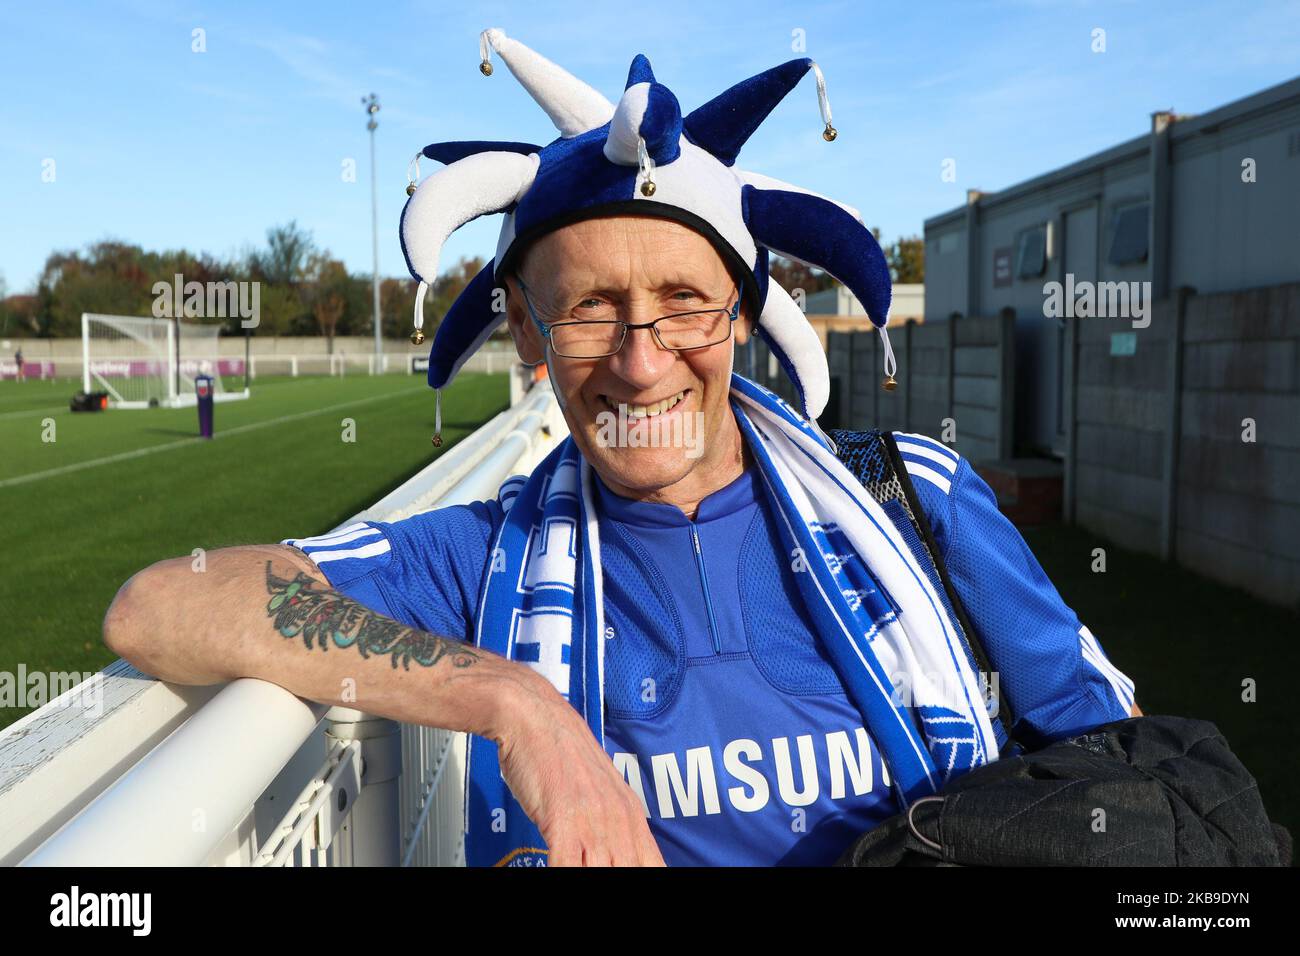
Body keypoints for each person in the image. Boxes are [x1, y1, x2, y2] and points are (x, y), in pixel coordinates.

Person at [104, 29, 1139, 867]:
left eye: (685, 302)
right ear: (525, 331)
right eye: (592, 307)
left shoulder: (918, 500)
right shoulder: (483, 556)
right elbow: (162, 605)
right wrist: (516, 701)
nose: (642, 364)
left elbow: (1113, 771)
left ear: (742, 313)